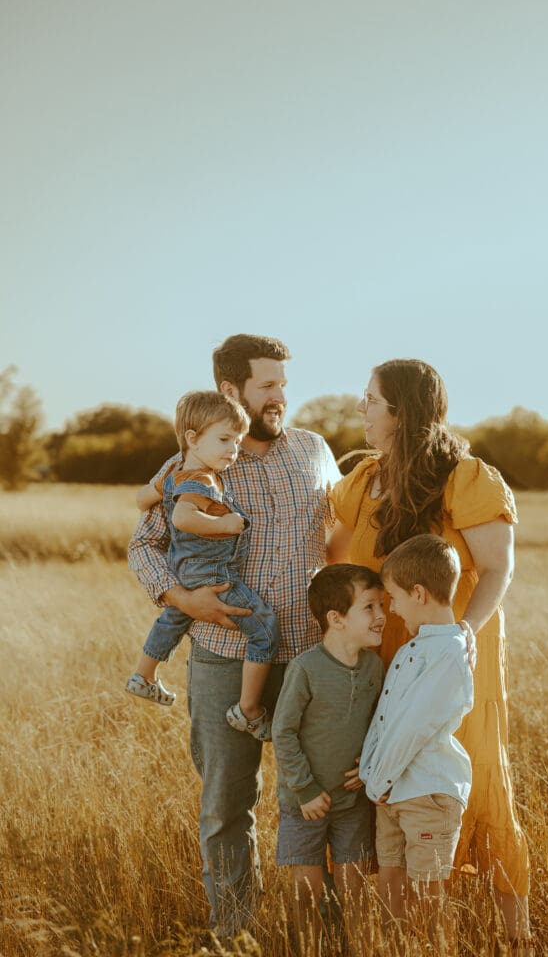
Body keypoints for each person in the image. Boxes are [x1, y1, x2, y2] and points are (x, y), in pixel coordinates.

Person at [128, 334, 341, 938]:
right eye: (267, 385)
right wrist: (181, 598)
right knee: (226, 806)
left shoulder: (314, 449)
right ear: (231, 390)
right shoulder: (193, 465)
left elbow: (340, 536)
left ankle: (319, 932)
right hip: (223, 658)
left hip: (311, 659)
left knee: (315, 800)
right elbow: (144, 545)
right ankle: (234, 932)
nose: (280, 397)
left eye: (283, 384)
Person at [329, 358, 533, 955]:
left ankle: (515, 935)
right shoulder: (362, 482)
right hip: (379, 656)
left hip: (454, 654)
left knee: (477, 777)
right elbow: (333, 560)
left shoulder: (466, 478)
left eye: (370, 400)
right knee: (387, 778)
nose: (360, 409)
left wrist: (464, 632)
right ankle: (403, 934)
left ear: (401, 412)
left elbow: (498, 566)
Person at [125, 390, 279, 740]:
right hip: (211, 573)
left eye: (237, 442)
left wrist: (157, 490)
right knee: (265, 627)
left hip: (184, 572)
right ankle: (249, 709)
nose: (233, 450)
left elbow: (141, 498)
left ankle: (144, 674)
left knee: (174, 617)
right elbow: (182, 517)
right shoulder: (204, 479)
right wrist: (223, 525)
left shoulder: (173, 471)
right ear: (192, 439)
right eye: (224, 439)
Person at [360, 534, 474, 944]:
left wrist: (378, 780)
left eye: (393, 597)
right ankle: (395, 948)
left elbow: (414, 727)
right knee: (389, 878)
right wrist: (372, 770)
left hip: (427, 792)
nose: (390, 608)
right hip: (391, 792)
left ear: (419, 593)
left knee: (427, 892)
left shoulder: (449, 655)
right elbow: (386, 716)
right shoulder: (414, 648)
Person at [272, 564, 385, 955]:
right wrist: (305, 789)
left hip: (352, 802)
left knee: (356, 894)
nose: (381, 615)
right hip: (304, 805)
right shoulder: (306, 668)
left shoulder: (374, 666)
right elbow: (282, 732)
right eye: (369, 607)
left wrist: (368, 767)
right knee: (307, 896)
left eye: (381, 606)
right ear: (336, 619)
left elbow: (377, 724)